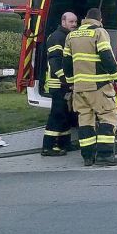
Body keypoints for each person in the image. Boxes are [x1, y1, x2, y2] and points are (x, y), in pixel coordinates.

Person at [63, 8, 117, 166]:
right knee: (109, 116)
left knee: (85, 120)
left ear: (85, 18)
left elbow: (67, 63)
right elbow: (107, 57)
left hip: (79, 88)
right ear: (100, 20)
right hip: (99, 86)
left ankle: (88, 157)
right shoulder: (99, 32)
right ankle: (105, 156)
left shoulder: (72, 35)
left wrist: (71, 82)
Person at [41, 12, 78, 156]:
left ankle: (64, 143)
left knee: (66, 115)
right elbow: (55, 61)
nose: (74, 25)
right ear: (63, 22)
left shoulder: (67, 37)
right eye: (71, 22)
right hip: (58, 84)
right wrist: (65, 80)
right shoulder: (57, 37)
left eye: (75, 22)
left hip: (65, 83)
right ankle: (48, 147)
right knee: (57, 115)